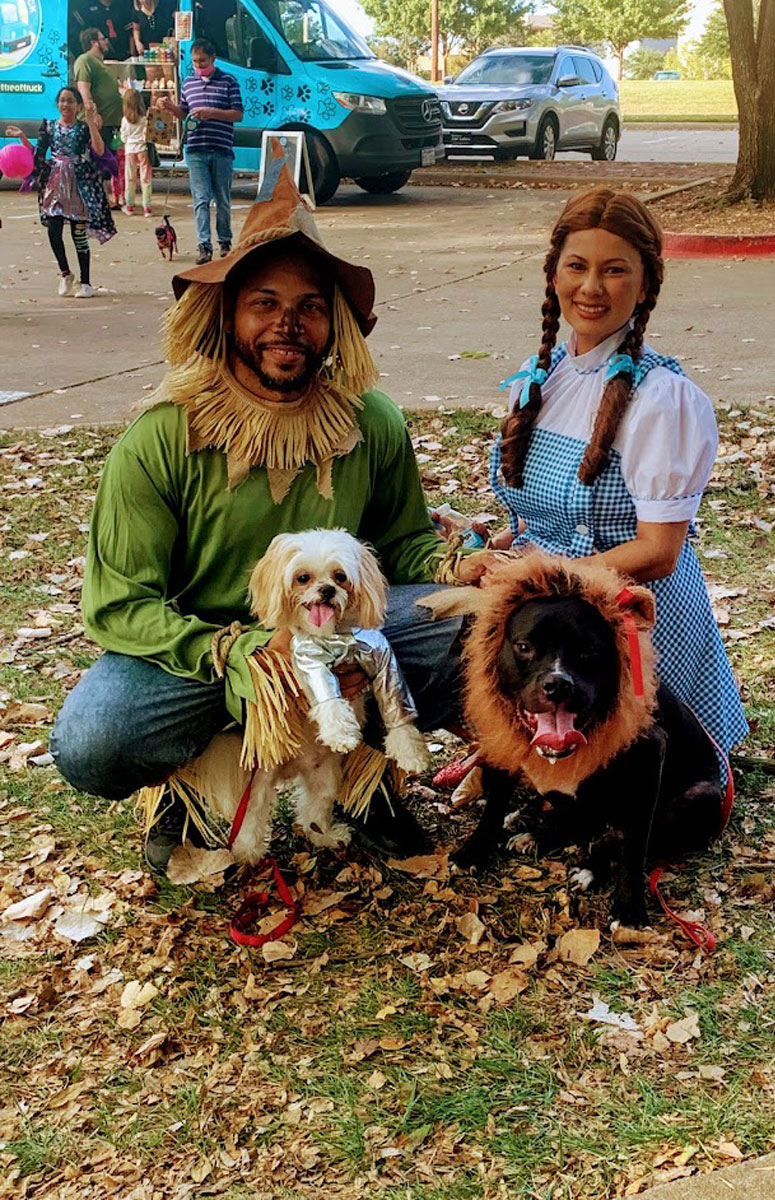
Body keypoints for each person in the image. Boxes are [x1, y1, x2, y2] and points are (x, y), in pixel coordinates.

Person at [50, 153, 478, 870]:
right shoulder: (163, 434)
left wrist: (461, 565)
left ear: (333, 321)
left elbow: (401, 542)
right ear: (227, 313)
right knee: (93, 739)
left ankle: (363, 781)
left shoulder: (370, 422)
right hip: (206, 652)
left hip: (330, 628)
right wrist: (245, 655)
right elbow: (120, 603)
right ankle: (192, 795)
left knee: (474, 628)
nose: (288, 324)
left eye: (309, 306)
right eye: (265, 303)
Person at [489, 187, 748, 778]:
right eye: (577, 266)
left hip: (630, 620)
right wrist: (499, 550)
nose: (592, 287)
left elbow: (658, 552)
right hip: (554, 617)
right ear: (553, 273)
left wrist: (536, 581)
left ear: (645, 283)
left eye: (615, 270)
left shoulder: (661, 397)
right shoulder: (539, 380)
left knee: (636, 772)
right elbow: (539, 520)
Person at [5, 88, 116, 300]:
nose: (66, 105)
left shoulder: (83, 128)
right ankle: (65, 273)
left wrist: (92, 123)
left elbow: (100, 151)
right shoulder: (48, 127)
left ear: (78, 106)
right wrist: (22, 137)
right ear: (57, 104)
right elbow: (38, 155)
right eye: (62, 101)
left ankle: (85, 282)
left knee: (79, 234)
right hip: (54, 184)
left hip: (79, 184)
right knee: (53, 231)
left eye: (71, 101)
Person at [157, 39, 243, 265]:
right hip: (195, 149)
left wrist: (213, 113)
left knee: (222, 198)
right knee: (201, 199)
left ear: (213, 59)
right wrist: (170, 107)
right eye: (195, 62)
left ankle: (224, 241)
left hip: (221, 148)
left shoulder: (229, 81)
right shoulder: (188, 83)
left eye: (202, 61)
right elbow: (184, 113)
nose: (199, 65)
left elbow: (237, 114)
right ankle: (204, 245)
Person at [73, 28, 124, 153]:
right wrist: (93, 113)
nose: (106, 41)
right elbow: (84, 89)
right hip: (97, 126)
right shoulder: (85, 60)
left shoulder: (100, 62)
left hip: (108, 125)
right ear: (93, 43)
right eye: (103, 39)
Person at [120, 88, 153, 216]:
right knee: (146, 179)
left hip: (130, 150)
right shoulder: (144, 118)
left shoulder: (125, 120)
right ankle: (147, 207)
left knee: (130, 178)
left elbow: (123, 137)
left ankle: (130, 206)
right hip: (143, 149)